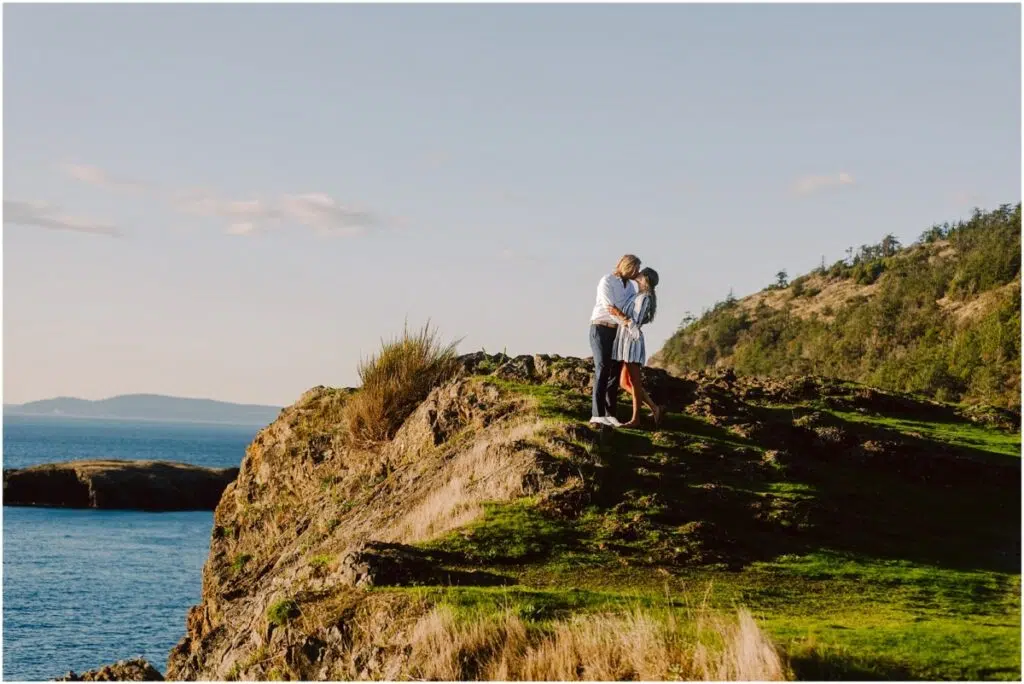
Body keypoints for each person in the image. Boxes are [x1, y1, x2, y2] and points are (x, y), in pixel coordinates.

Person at [589, 254, 641, 427]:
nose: (636, 272)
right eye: (634, 268)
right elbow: (609, 307)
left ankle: (610, 414)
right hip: (601, 327)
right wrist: (628, 322)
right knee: (602, 367)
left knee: (614, 371)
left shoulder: (630, 287)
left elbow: (632, 306)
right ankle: (597, 414)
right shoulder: (607, 281)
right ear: (626, 266)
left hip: (618, 331)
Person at [613, 267, 663, 428]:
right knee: (624, 382)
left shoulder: (645, 298)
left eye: (640, 273)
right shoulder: (638, 295)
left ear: (645, 278)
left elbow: (637, 321)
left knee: (635, 381)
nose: (637, 274)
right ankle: (654, 407)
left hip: (632, 341)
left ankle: (636, 419)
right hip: (625, 339)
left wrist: (619, 315)